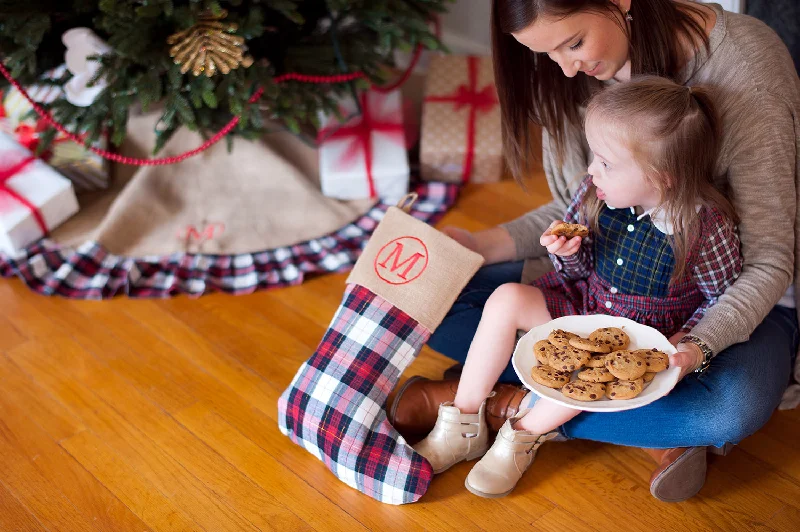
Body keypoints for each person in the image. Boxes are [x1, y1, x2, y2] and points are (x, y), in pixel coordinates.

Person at [389, 0, 800, 502]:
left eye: (574, 43)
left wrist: (697, 343)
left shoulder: (743, 74)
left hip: (707, 311)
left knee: (729, 408)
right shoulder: (574, 86)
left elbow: (761, 264)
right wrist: (475, 246)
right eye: (546, 53)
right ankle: (637, 426)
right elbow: (575, 212)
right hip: (589, 291)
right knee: (429, 296)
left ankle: (506, 409)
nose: (563, 68)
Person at [412, 76, 742, 498]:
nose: (590, 170)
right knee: (507, 297)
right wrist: (567, 253)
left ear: (661, 176)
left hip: (638, 340)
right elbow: (573, 275)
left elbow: (723, 298)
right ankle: (463, 419)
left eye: (605, 162)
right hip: (582, 305)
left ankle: (522, 435)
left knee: (592, 372)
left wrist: (685, 341)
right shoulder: (595, 194)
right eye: (593, 157)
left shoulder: (704, 227)